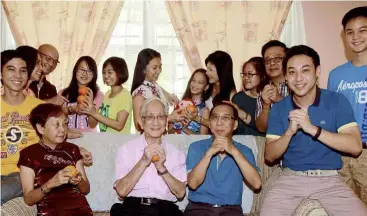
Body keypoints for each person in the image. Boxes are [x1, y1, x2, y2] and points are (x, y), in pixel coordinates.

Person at [260, 45, 367, 216]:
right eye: (292, 72)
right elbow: (269, 156)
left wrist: (312, 129)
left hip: (330, 180)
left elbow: (355, 146)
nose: (299, 78)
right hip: (290, 179)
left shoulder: (336, 100)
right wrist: (289, 132)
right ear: (286, 76)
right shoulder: (280, 108)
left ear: (317, 71)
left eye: (305, 70)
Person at [0, 49, 92, 205]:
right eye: (11, 69)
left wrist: (77, 150)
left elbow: (55, 134)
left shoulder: (40, 108)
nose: (18, 75)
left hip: (21, 174)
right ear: (1, 74)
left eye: (23, 71)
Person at [111, 97, 187, 216]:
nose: (156, 122)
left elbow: (181, 193)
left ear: (166, 121)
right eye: (150, 117)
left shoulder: (177, 153)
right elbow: (121, 191)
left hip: (165, 210)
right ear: (141, 122)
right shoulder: (126, 149)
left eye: (161, 117)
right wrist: (143, 161)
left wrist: (162, 169)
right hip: (133, 208)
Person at [184, 102, 261, 216]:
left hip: (231, 210)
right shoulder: (197, 147)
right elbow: (193, 184)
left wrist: (234, 151)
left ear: (234, 125)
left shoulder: (244, 151)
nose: (219, 123)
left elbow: (257, 184)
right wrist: (209, 154)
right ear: (210, 124)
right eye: (215, 117)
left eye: (225, 118)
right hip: (198, 208)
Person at [18, 103, 92, 215]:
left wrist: (79, 180)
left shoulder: (73, 150)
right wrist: (50, 184)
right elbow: (28, 199)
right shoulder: (28, 154)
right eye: (57, 125)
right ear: (41, 128)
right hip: (50, 212)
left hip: (81, 210)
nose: (63, 129)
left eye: (65, 124)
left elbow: (85, 189)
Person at [327, 6, 367, 204]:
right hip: (341, 155)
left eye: (363, 30)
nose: (356, 37)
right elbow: (331, 114)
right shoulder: (336, 75)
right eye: (350, 32)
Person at [131, 48, 183, 132]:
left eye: (160, 67)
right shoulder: (139, 94)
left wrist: (172, 98)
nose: (159, 71)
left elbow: (168, 98)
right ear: (143, 69)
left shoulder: (155, 86)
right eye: (154, 68)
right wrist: (169, 118)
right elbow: (139, 126)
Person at [80, 57, 132, 134]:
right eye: (104, 72)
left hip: (119, 143)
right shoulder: (107, 94)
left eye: (110, 72)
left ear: (120, 73)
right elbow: (92, 124)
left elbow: (119, 126)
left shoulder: (125, 96)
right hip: (105, 141)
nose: (106, 76)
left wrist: (94, 113)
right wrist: (91, 106)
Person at [61, 56, 104, 132]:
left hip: (88, 139)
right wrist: (70, 110)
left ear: (94, 75)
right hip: (66, 136)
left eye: (89, 71)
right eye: (82, 69)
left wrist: (90, 107)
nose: (85, 74)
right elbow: (56, 118)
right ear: (75, 70)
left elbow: (92, 125)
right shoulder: (63, 93)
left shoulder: (98, 95)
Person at [227, 57, 268, 136]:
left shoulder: (269, 97)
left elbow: (266, 128)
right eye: (244, 74)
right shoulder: (238, 98)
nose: (246, 78)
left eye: (250, 74)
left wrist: (243, 115)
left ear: (262, 75)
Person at [255, 40, 289, 133]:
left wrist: (280, 100)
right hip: (273, 142)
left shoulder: (297, 84)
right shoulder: (264, 90)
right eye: (267, 60)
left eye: (277, 58)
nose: (272, 63)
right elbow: (262, 128)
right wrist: (266, 105)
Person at [168, 68, 211, 135]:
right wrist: (175, 125)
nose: (195, 84)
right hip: (174, 143)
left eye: (200, 82)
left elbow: (203, 140)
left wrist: (185, 129)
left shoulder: (204, 110)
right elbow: (170, 132)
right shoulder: (181, 105)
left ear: (206, 87)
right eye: (193, 80)